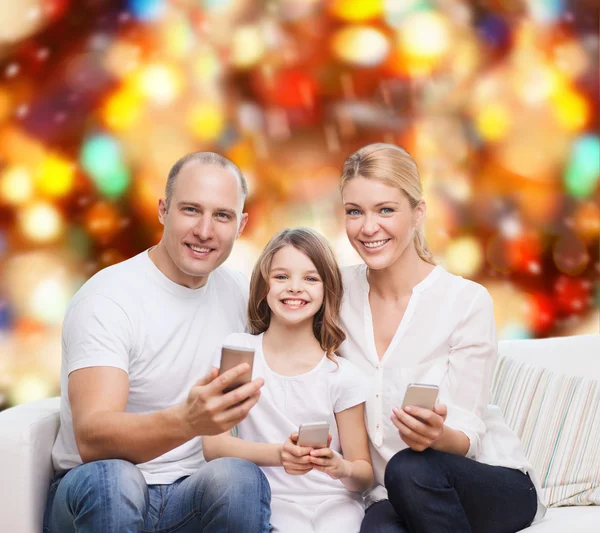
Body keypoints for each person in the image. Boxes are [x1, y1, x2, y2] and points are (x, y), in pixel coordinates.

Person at [44, 152, 271, 533]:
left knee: (239, 478)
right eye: (190, 210)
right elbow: (93, 439)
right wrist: (187, 421)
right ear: (163, 210)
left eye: (222, 215)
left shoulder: (238, 292)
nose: (204, 230)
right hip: (96, 493)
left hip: (188, 496)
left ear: (241, 224)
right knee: (115, 480)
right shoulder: (108, 298)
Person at [337, 143, 546, 533]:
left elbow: (467, 435)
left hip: (486, 480)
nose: (368, 227)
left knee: (410, 467)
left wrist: (438, 434)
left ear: (418, 213)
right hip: (392, 493)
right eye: (355, 212)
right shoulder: (334, 294)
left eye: (386, 210)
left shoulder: (465, 301)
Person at [203, 228, 374, 533]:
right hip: (273, 499)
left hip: (336, 500)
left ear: (327, 291)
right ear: (263, 287)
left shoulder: (343, 375)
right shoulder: (240, 353)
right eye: (282, 277)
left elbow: (362, 473)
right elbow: (214, 446)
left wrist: (340, 466)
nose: (295, 288)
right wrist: (279, 456)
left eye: (311, 279)